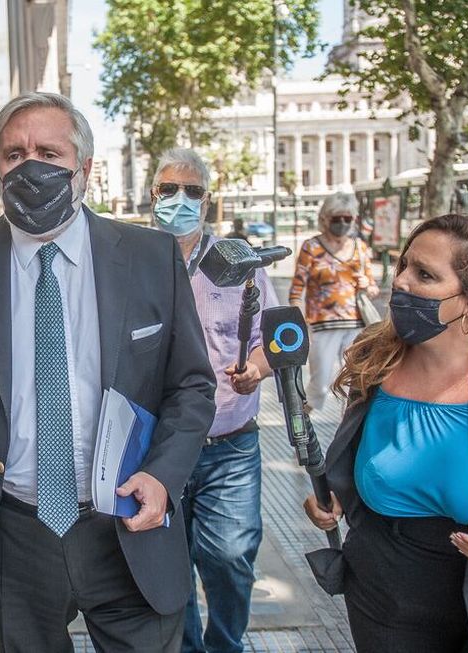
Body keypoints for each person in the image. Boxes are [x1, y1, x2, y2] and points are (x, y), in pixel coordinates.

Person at [0, 92, 217, 651]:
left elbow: (193, 385)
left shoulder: (152, 256)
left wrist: (163, 475)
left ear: (84, 169)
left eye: (49, 153)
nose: (31, 167)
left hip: (127, 522)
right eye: (13, 154)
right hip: (12, 532)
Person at [303, 214, 468, 652]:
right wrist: (332, 496)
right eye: (403, 266)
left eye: (425, 275)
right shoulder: (376, 358)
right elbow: (353, 458)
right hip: (382, 595)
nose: (402, 283)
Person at [149, 148, 279, 653]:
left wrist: (256, 370)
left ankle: (227, 644)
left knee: (229, 556)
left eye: (193, 191)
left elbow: (271, 340)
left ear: (208, 200)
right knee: (168, 562)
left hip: (231, 443)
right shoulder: (132, 261)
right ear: (152, 194)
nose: (179, 200)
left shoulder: (241, 263)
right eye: (168, 189)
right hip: (158, 446)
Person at [288, 192, 379, 413]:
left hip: (356, 325)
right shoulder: (312, 247)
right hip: (322, 326)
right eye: (336, 219)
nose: (342, 223)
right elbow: (296, 290)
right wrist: (301, 326)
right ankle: (300, 438)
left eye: (347, 219)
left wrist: (367, 284)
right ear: (325, 218)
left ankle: (349, 439)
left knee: (355, 386)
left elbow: (373, 289)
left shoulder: (360, 248)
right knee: (319, 385)